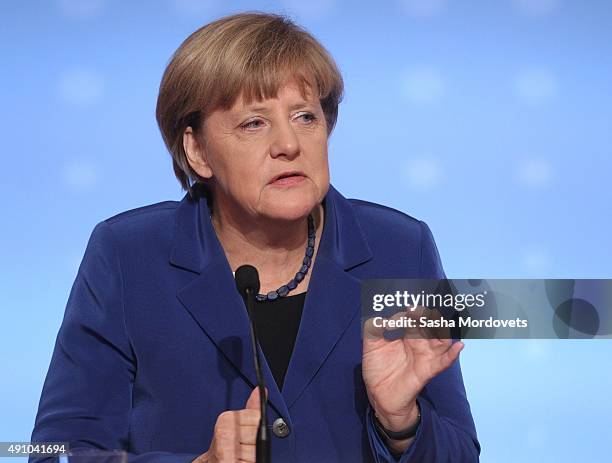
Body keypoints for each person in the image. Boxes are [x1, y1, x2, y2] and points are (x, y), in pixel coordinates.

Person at [30, 12, 480, 463]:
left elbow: (461, 454)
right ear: (198, 150)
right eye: (253, 123)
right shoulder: (127, 255)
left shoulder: (400, 248)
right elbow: (55, 452)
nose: (288, 143)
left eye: (306, 116)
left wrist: (401, 424)